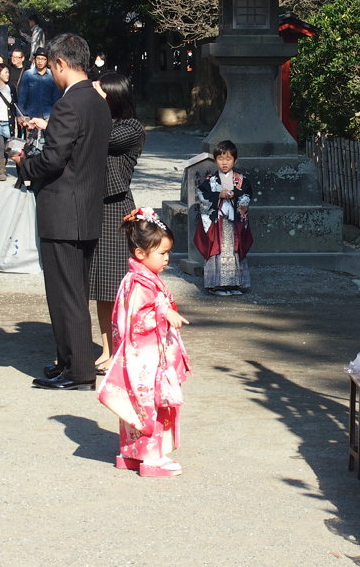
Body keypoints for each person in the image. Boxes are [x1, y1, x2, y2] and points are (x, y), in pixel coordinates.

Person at [15, 33, 111, 390]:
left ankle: (79, 370)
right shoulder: (97, 101)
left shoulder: (69, 103)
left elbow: (54, 159)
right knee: (74, 291)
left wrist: (25, 164)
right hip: (85, 208)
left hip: (63, 211)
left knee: (65, 294)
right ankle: (69, 360)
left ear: (59, 63)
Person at [100, 209, 189, 477]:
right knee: (149, 403)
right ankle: (151, 458)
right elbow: (138, 319)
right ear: (140, 253)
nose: (167, 258)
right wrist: (164, 312)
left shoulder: (139, 279)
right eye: (162, 253)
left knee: (136, 405)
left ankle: (131, 453)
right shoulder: (140, 282)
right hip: (145, 359)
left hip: (139, 356)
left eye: (168, 252)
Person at [88, 72, 145, 374]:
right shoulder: (102, 122)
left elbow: (101, 140)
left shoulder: (131, 128)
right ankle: (107, 349)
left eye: (100, 93)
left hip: (116, 209)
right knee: (100, 288)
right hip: (94, 206)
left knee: (115, 287)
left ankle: (121, 350)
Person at [195, 139, 253, 296]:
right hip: (218, 222)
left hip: (234, 223)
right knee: (217, 250)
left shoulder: (241, 180)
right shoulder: (210, 181)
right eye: (220, 159)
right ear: (215, 160)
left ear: (235, 160)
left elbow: (247, 195)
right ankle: (217, 285)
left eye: (228, 158)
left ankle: (235, 284)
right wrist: (218, 195)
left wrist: (237, 197)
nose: (224, 162)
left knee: (235, 250)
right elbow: (202, 196)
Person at [16, 50, 61, 121]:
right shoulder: (28, 74)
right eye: (38, 58)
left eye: (43, 59)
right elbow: (22, 97)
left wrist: (56, 114)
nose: (40, 61)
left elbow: (56, 97)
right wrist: (20, 115)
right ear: (34, 60)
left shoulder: (52, 75)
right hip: (31, 115)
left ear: (47, 61)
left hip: (48, 115)